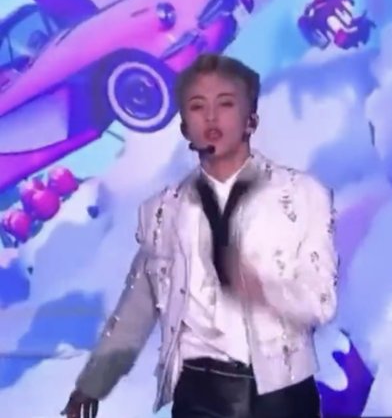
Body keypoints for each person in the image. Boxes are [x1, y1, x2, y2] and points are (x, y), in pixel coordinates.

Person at [61, 54, 339, 418]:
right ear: (183, 127)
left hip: (281, 392)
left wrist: (258, 287)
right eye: (197, 106)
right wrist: (92, 385)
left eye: (225, 104)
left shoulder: (302, 196)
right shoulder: (163, 213)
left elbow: (321, 302)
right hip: (200, 393)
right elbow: (136, 309)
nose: (211, 117)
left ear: (251, 119)